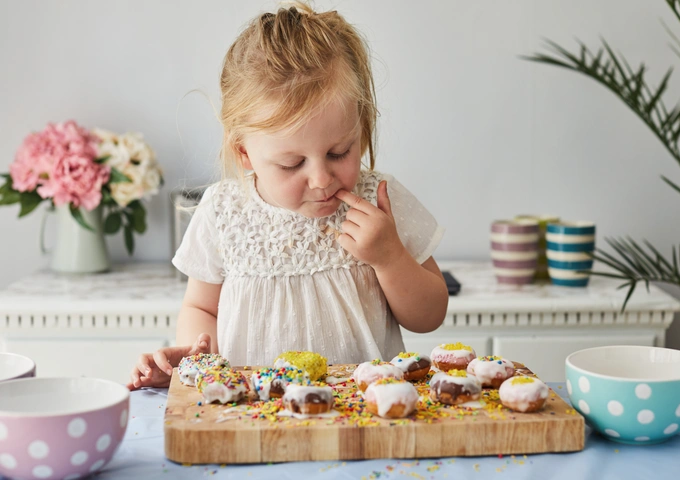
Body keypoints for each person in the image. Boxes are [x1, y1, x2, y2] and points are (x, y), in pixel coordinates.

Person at [128, 1, 447, 390]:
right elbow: (200, 307)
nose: (320, 179)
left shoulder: (379, 202)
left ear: (361, 128)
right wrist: (197, 355)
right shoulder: (223, 211)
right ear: (244, 152)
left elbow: (429, 315)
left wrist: (390, 257)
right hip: (255, 421)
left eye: (338, 152)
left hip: (363, 418)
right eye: (292, 163)